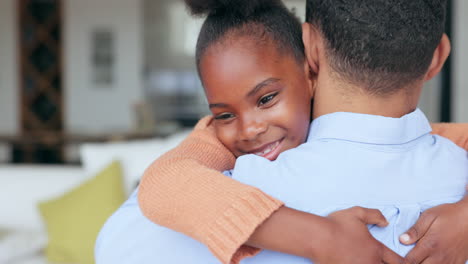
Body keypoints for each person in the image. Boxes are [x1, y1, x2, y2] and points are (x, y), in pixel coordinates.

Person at [96, 0, 468, 263]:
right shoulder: (457, 178)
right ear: (437, 56)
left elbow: (115, 244)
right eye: (223, 116)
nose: (251, 128)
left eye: (266, 98)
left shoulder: (229, 194)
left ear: (309, 50)